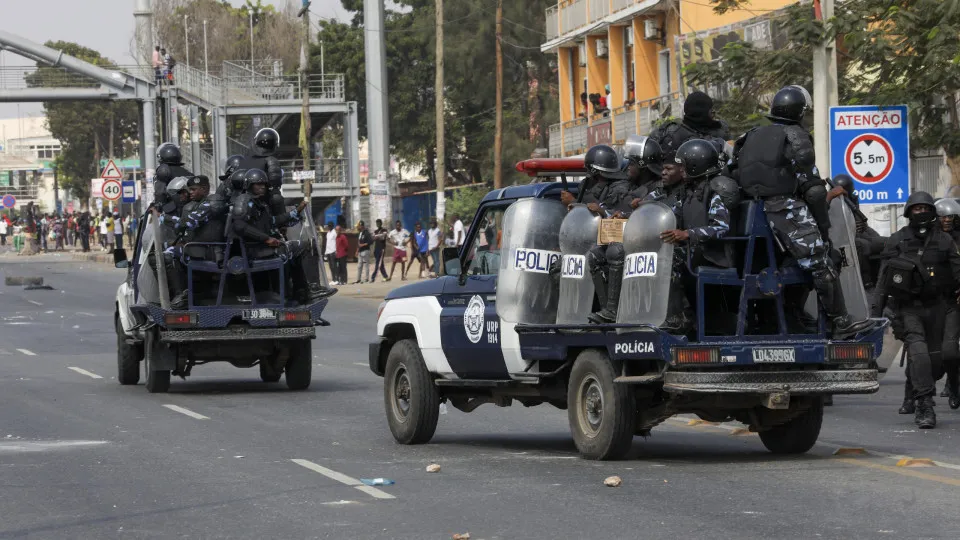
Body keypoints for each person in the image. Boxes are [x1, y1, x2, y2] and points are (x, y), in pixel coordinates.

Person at [731, 85, 871, 338]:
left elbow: (732, 172)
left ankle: (785, 317)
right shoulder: (794, 135)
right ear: (800, 111)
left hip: (749, 215)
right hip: (784, 209)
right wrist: (823, 229)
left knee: (783, 266)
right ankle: (840, 323)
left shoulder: (748, 135)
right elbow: (815, 192)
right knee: (821, 262)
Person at [872, 192, 960, 428]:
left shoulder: (945, 241)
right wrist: (875, 315)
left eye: (925, 208)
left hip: (940, 307)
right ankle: (924, 404)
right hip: (909, 309)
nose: (921, 213)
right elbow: (883, 280)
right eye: (916, 209)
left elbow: (957, 271)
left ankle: (944, 386)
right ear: (908, 212)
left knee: (941, 358)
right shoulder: (897, 240)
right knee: (919, 354)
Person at [658, 139, 738, 333]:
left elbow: (721, 227)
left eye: (684, 166)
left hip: (713, 255)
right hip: (694, 251)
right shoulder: (688, 192)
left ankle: (681, 316)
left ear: (696, 165)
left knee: (668, 260)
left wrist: (687, 234)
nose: (681, 170)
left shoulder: (714, 191)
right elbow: (671, 215)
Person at [649, 91, 730, 159]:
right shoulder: (673, 134)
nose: (713, 115)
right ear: (702, 113)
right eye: (711, 111)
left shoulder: (719, 131)